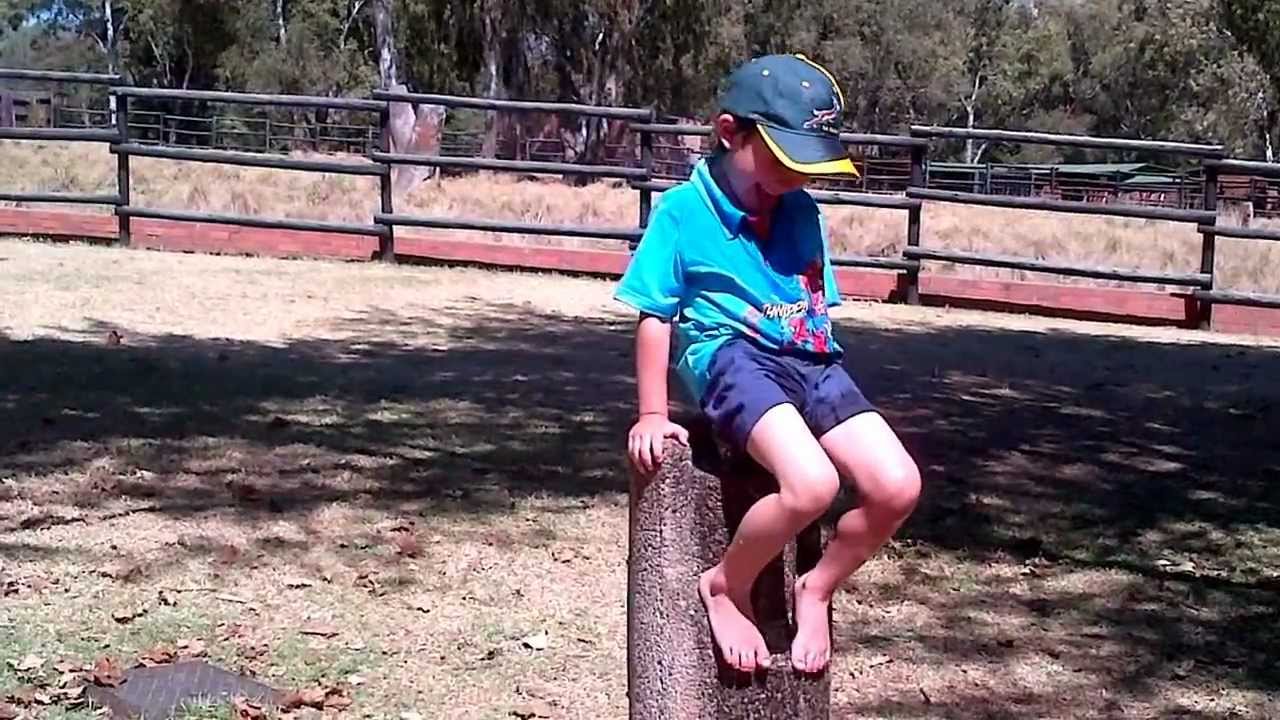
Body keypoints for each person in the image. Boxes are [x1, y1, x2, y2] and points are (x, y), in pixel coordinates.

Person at [614, 54, 922, 675]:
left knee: (898, 487)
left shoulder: (801, 208)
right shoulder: (681, 212)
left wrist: (817, 387)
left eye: (808, 163)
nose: (796, 175)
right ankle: (727, 583)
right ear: (731, 133)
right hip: (732, 357)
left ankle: (818, 585)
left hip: (810, 358)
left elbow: (814, 302)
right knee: (812, 484)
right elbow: (653, 312)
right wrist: (651, 412)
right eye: (784, 158)